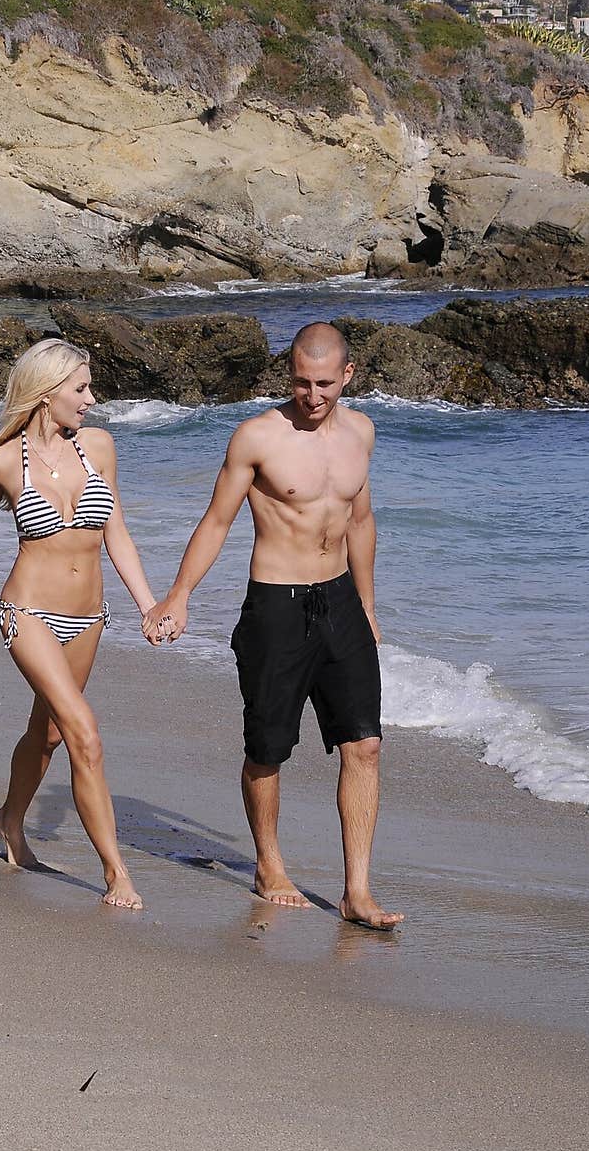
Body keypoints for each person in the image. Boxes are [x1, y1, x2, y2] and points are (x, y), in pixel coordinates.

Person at [143, 322, 403, 930]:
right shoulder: (258, 436)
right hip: (276, 606)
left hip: (340, 602)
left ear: (348, 375)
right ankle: (268, 864)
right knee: (267, 749)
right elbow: (216, 522)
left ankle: (357, 891)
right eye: (301, 383)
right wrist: (178, 597)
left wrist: (367, 604)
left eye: (324, 384)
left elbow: (359, 521)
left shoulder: (361, 432)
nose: (312, 396)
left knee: (364, 744)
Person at [0, 337, 161, 911]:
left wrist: (148, 604)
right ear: (47, 395)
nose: (92, 400)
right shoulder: (1, 461)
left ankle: (9, 819)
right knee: (83, 734)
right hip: (28, 613)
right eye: (81, 388)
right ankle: (116, 872)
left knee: (47, 732)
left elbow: (116, 533)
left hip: (90, 616)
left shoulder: (100, 448)